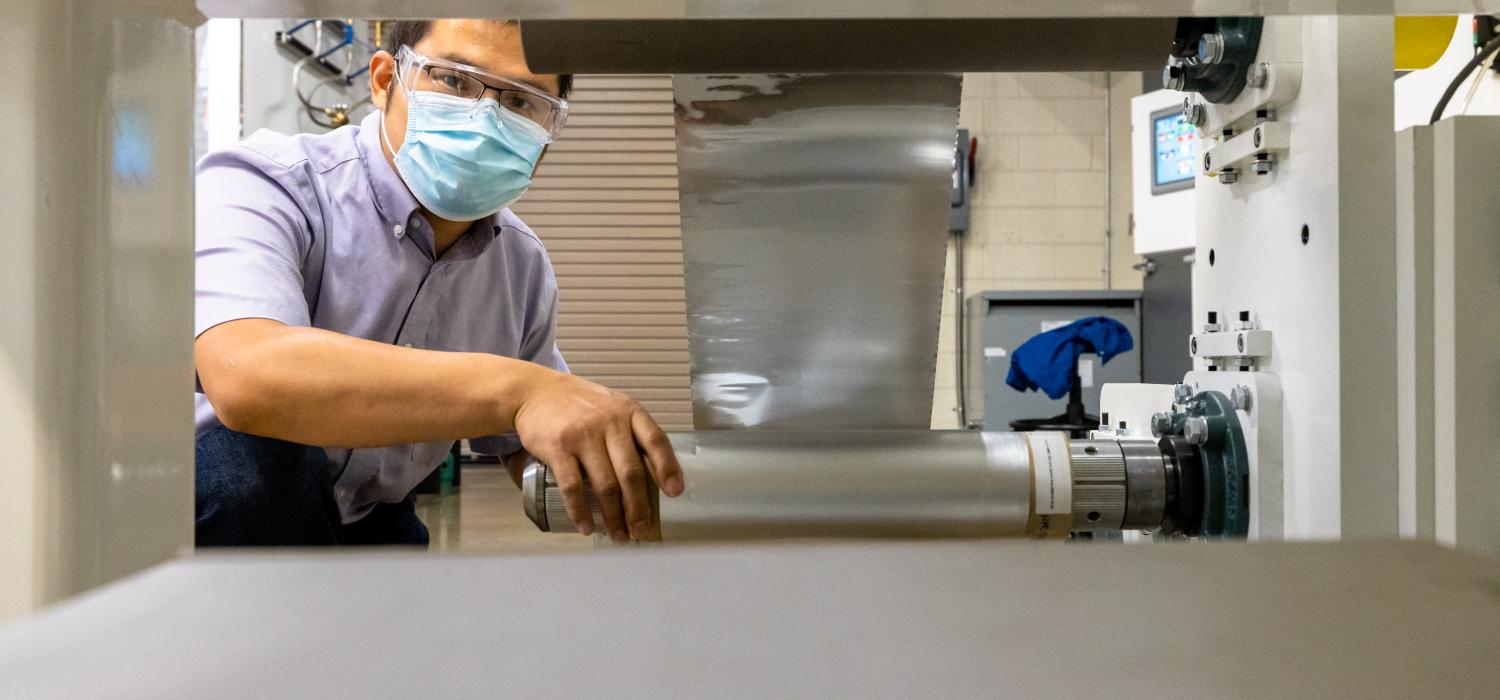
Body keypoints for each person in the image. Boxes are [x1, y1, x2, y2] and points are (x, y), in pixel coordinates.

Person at [193, 18, 682, 547]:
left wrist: (603, 468)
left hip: (373, 517)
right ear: (384, 81)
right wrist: (520, 389)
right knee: (263, 470)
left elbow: (525, 433)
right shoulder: (267, 184)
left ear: (545, 141)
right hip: (217, 507)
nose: (486, 117)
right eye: (454, 81)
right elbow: (249, 377)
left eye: (521, 104)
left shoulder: (520, 265)